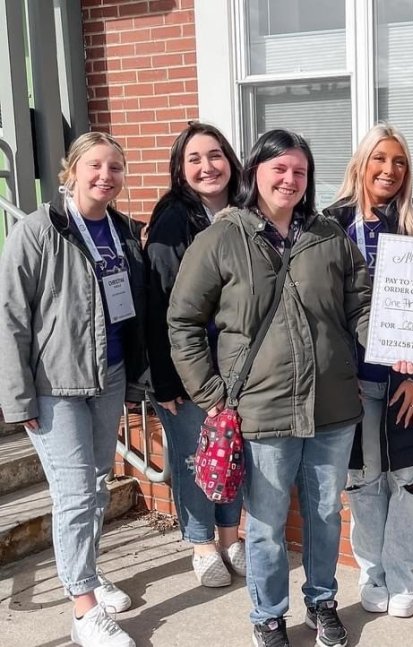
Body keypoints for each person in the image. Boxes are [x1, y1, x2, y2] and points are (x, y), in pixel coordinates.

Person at [167, 129, 372, 647]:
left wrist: (395, 346)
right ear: (254, 171)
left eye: (299, 171)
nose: (290, 179)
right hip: (260, 409)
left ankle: (322, 602)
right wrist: (210, 394)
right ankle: (268, 614)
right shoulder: (221, 237)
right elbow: (184, 321)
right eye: (279, 168)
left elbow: (361, 306)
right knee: (266, 523)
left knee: (326, 515)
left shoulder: (330, 236)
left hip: (331, 406)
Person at [0, 132, 147, 647]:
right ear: (72, 171)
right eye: (95, 166)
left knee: (98, 486)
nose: (106, 176)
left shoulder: (123, 230)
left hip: (106, 379)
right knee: (75, 493)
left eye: (115, 167)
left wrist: (132, 379)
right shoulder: (39, 231)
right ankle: (84, 611)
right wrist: (17, 398)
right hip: (54, 387)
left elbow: (130, 313)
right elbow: (12, 317)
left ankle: (84, 571)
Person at [323, 124, 413, 619]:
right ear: (361, 163)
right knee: (364, 480)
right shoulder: (329, 225)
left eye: (399, 162)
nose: (389, 171)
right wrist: (336, 374)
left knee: (408, 480)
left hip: (406, 380)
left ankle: (405, 575)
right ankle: (372, 572)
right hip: (352, 380)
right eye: (380, 159)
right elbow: (321, 310)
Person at [144, 122, 246, 587]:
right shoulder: (173, 220)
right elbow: (158, 304)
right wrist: (165, 381)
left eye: (215, 155)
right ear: (181, 170)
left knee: (231, 453)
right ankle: (202, 544)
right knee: (193, 456)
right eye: (195, 159)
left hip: (238, 367)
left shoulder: (247, 212)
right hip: (188, 370)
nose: (208, 167)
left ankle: (231, 537)